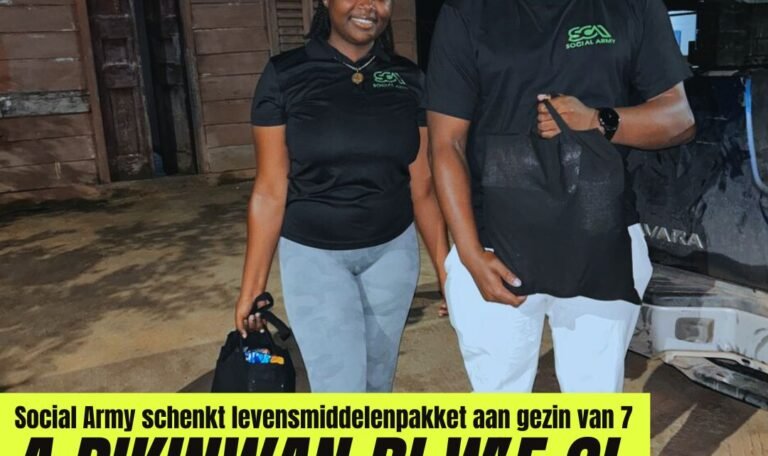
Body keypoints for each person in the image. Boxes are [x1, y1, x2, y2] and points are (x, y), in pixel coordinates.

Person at [426, 0, 696, 392]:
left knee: (594, 405)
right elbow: (445, 143)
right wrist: (469, 253)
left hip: (603, 245)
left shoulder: (633, 7)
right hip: (495, 249)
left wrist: (596, 120)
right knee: (497, 405)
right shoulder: (466, 12)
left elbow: (680, 118)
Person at [234, 0, 449, 392]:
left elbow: (423, 185)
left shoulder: (408, 78)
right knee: (340, 389)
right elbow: (269, 189)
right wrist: (253, 284)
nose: (369, 6)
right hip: (315, 257)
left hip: (393, 255)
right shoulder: (285, 75)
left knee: (377, 385)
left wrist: (446, 271)